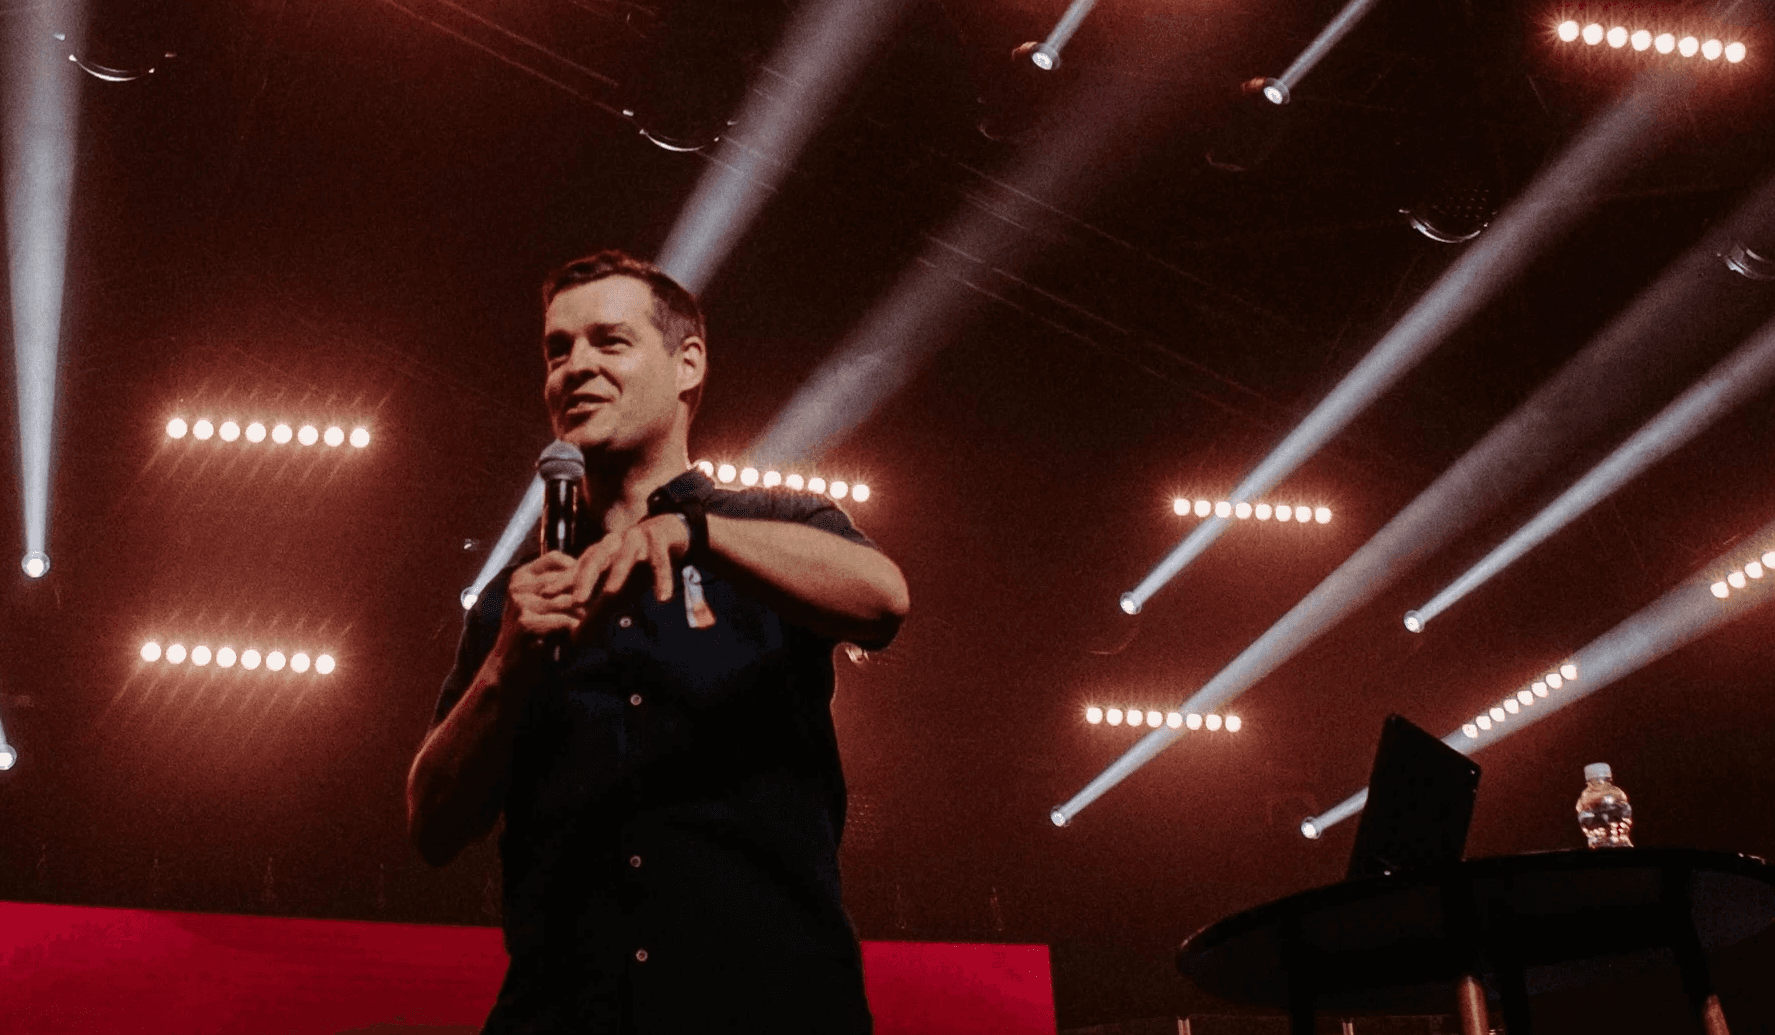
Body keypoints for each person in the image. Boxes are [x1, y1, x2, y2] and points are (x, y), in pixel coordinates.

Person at [406, 251, 910, 1033]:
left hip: (773, 1007)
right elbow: (432, 826)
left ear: (688, 364)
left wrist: (693, 533)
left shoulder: (774, 528)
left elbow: (883, 599)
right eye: (557, 349)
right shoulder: (519, 595)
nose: (574, 368)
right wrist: (507, 664)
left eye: (608, 341)